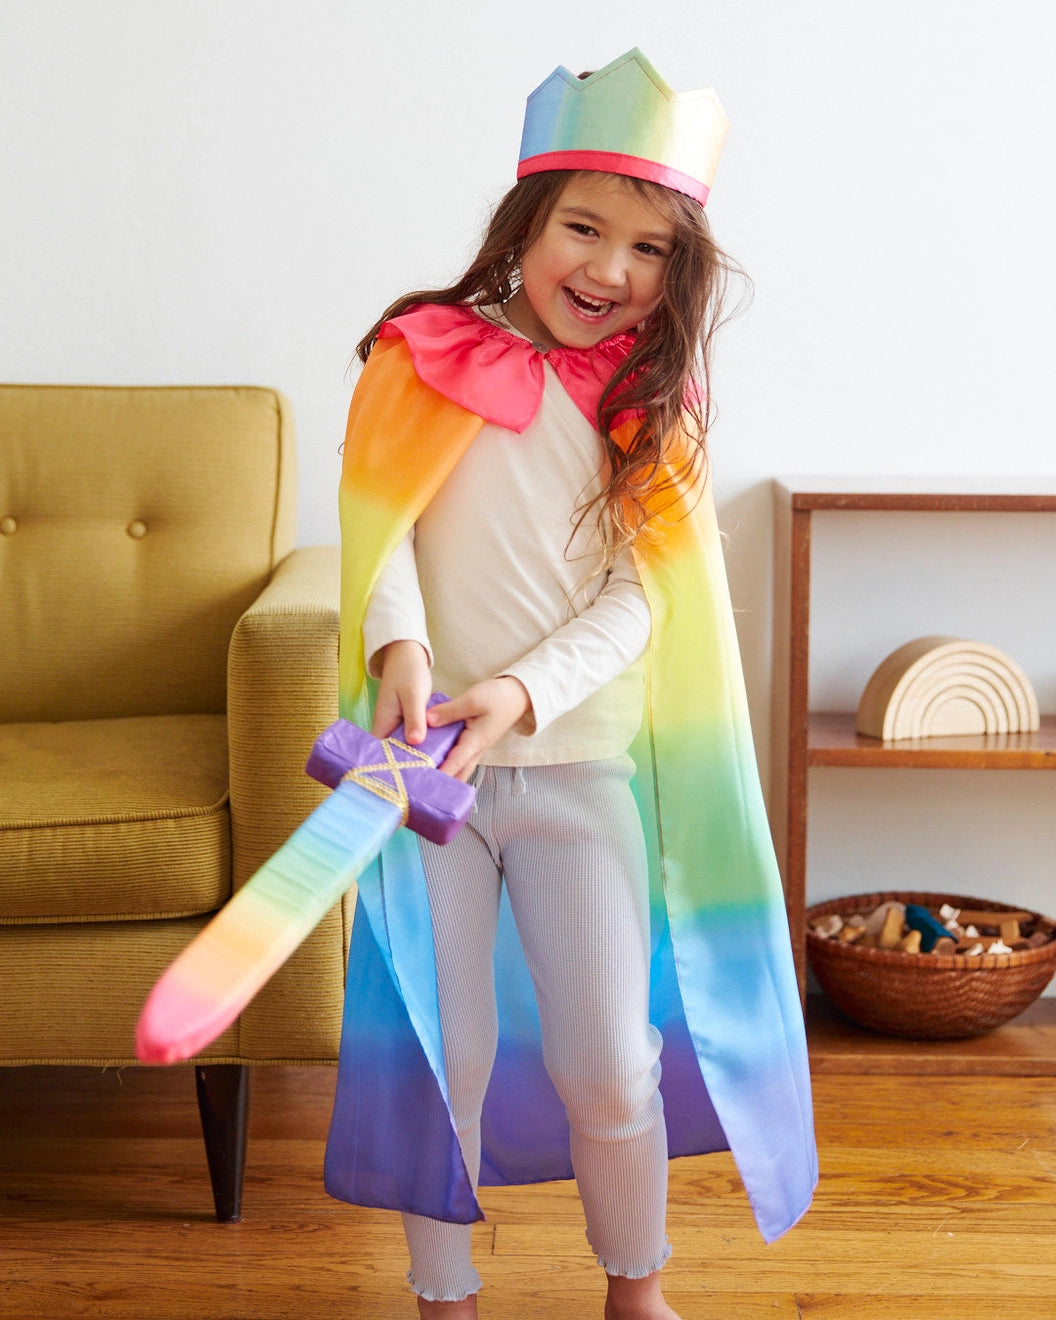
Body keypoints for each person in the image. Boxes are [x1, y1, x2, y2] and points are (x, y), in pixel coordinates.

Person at [326, 49, 817, 1320]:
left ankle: (634, 1285)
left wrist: (521, 695)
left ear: (681, 268)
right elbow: (380, 543)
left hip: (578, 766)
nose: (608, 270)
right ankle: (445, 1293)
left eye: (648, 248)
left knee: (610, 1060)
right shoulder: (421, 355)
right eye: (583, 229)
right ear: (525, 226)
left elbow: (644, 596)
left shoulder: (659, 404)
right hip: (427, 766)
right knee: (455, 1057)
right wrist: (408, 659)